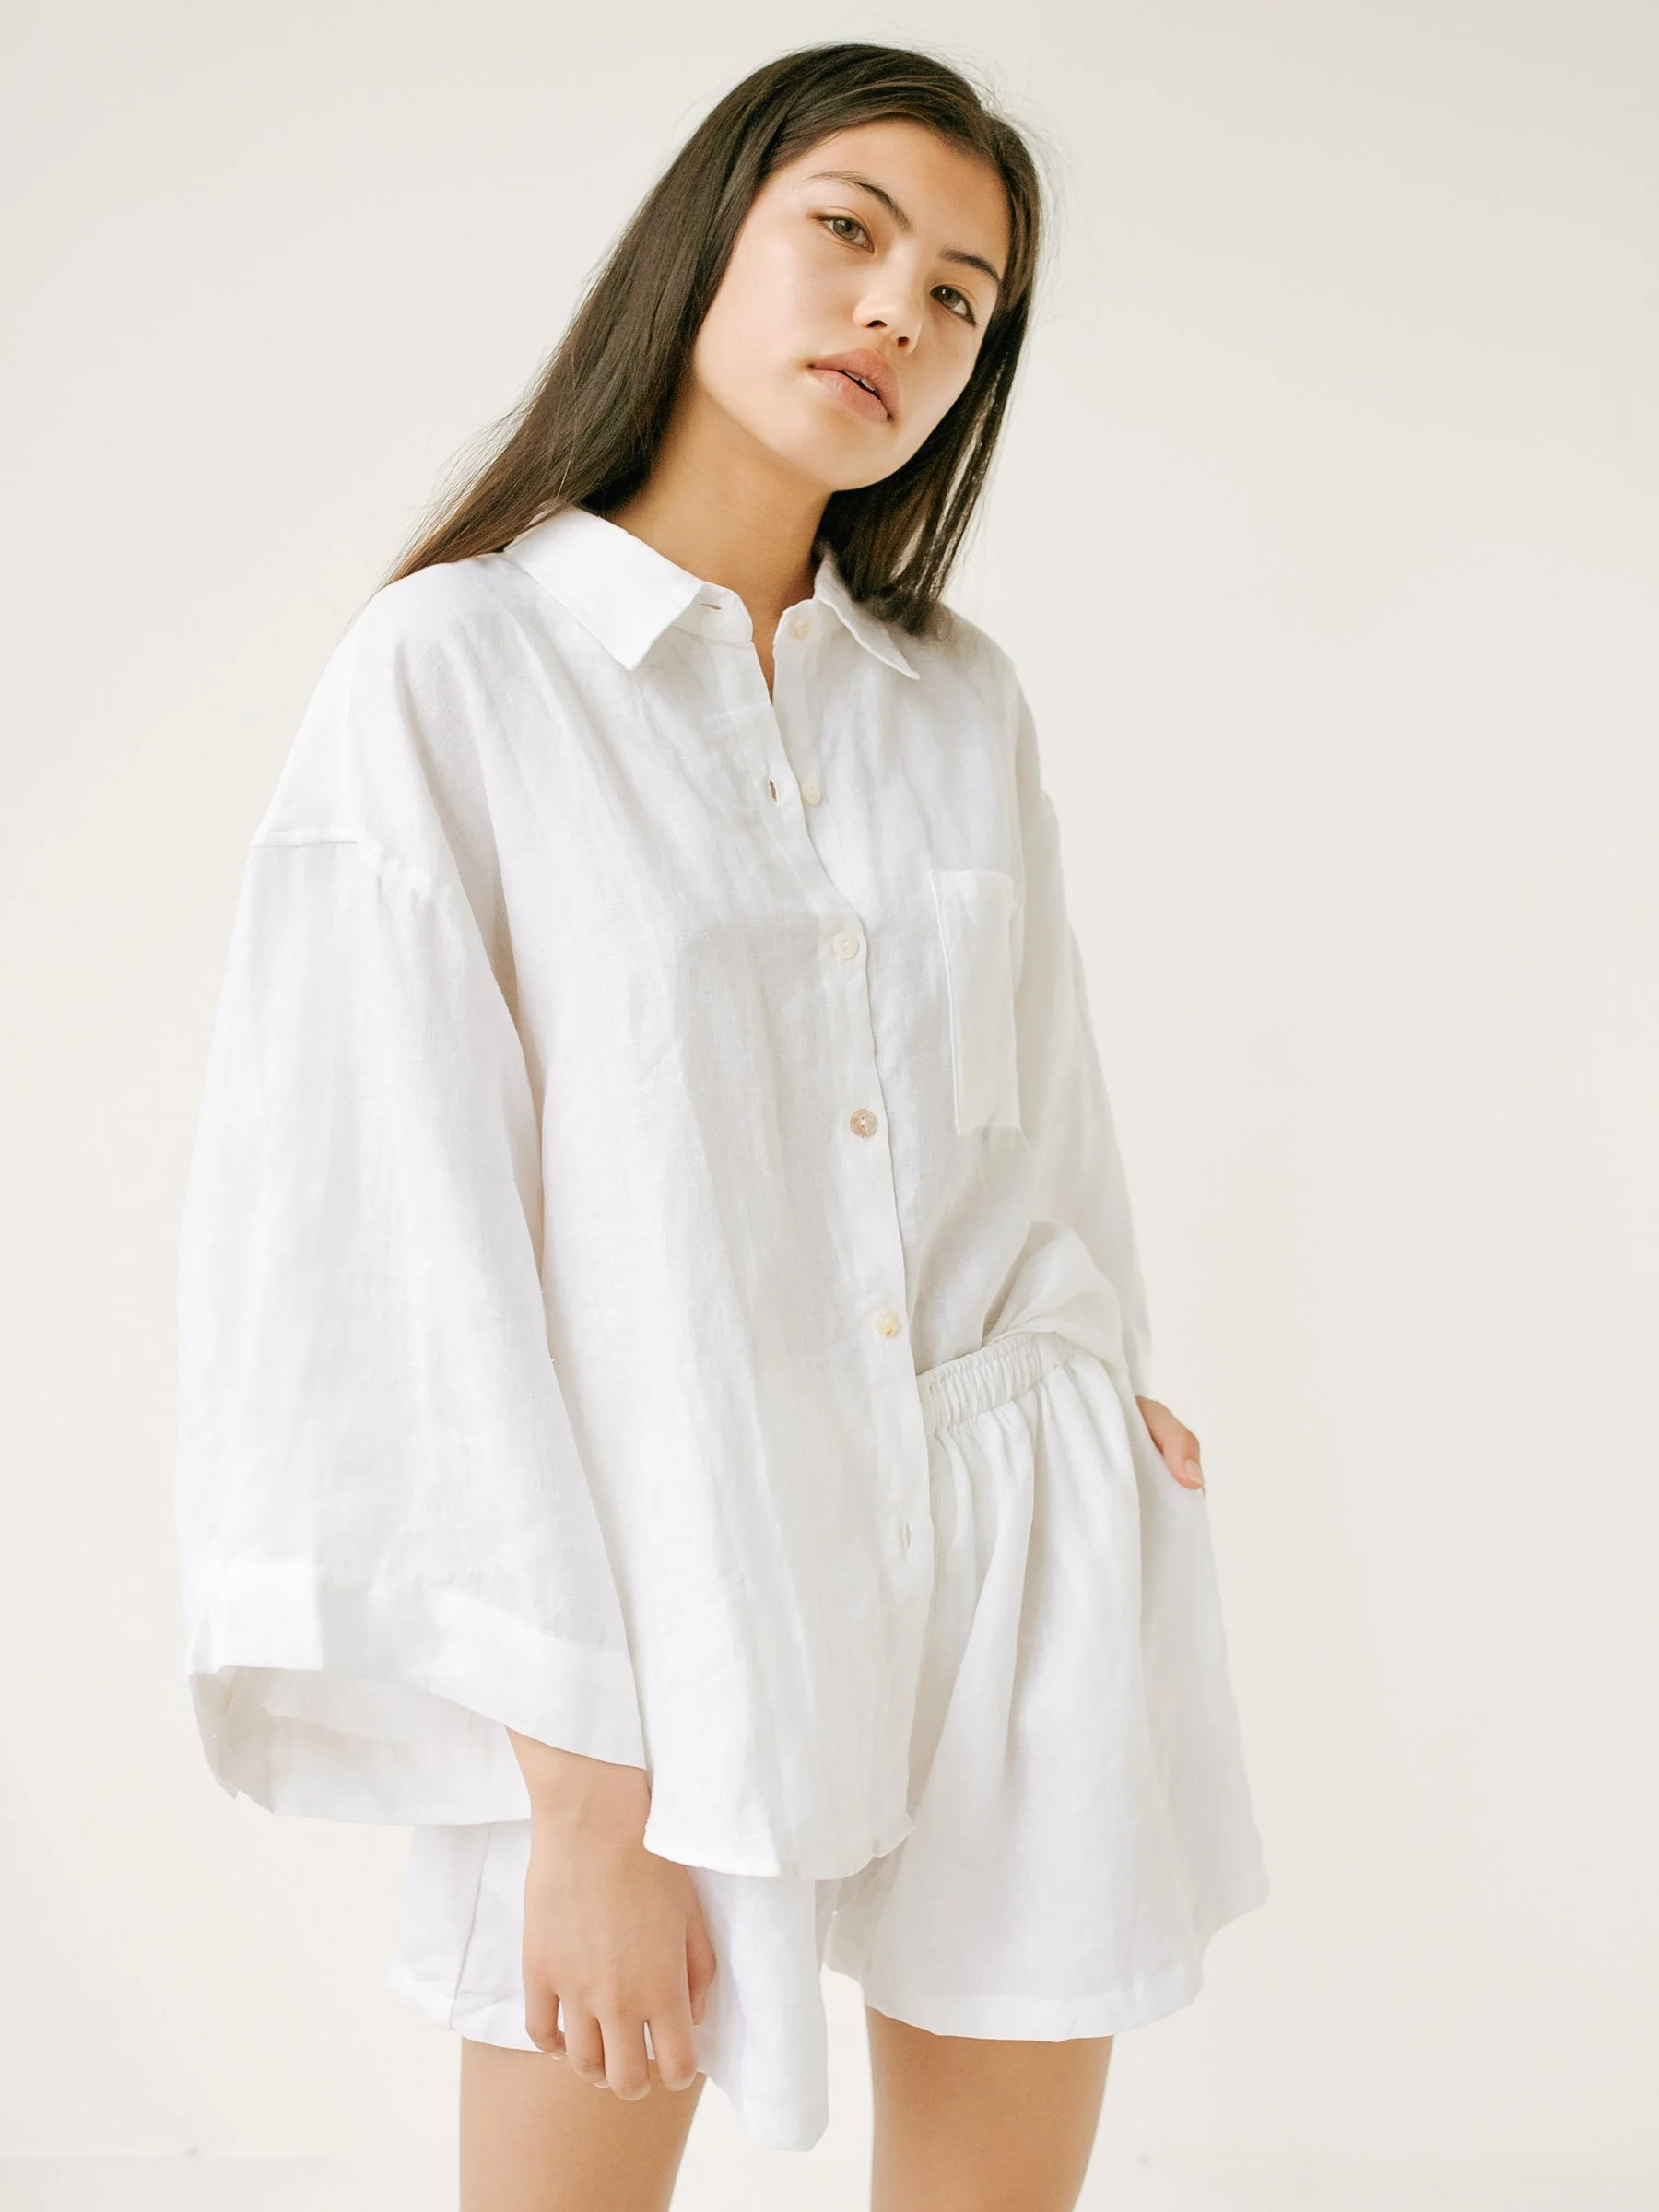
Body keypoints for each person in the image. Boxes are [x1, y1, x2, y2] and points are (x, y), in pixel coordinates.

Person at [173, 39, 1270, 2212]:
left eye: (959, 298)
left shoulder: (957, 700)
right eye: (849, 233)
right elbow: (393, 1238)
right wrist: (582, 1798)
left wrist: (1098, 1360)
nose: (897, 315)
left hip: (1015, 1535)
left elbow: (1039, 1104)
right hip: (647, 1591)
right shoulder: (457, 674)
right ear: (707, 243)